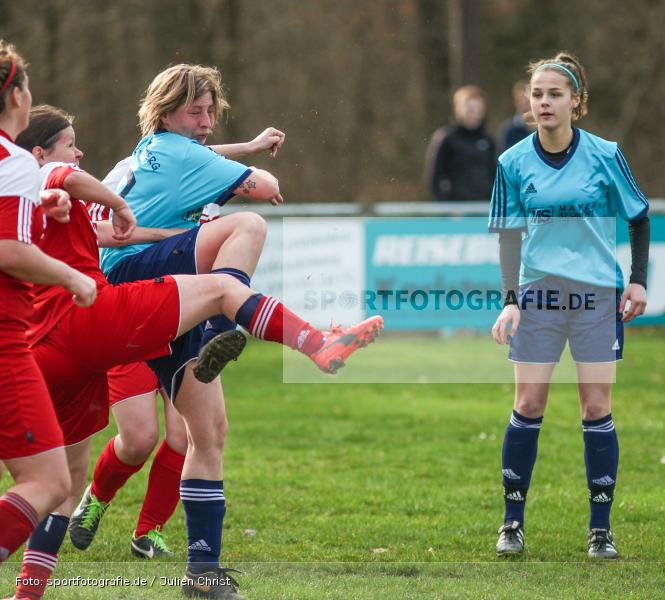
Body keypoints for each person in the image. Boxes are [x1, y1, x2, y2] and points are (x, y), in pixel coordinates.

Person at [11, 104, 384, 599]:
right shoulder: (59, 172)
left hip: (48, 346)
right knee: (224, 287)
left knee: (68, 480)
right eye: (70, 144)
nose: (79, 153)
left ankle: (182, 576)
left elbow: (87, 227)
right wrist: (117, 206)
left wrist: (148, 227)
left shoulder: (17, 197)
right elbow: (66, 180)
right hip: (93, 316)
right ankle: (316, 343)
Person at [488, 52, 650, 559]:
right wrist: (510, 299)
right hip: (538, 297)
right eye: (537, 94)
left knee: (595, 407)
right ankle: (512, 523)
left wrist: (638, 281)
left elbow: (639, 216)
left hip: (596, 296)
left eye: (555, 94)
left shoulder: (605, 154)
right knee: (528, 405)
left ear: (576, 102)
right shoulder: (511, 162)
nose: (544, 102)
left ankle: (600, 530)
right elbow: (510, 236)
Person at [0, 41, 97, 567]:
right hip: (5, 340)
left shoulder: (22, 174)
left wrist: (40, 203)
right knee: (50, 481)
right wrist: (72, 279)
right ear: (16, 95)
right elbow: (9, 252)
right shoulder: (11, 159)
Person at [424, 84, 497, 201]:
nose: (473, 113)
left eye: (478, 109)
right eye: (469, 109)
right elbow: (434, 178)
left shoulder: (488, 140)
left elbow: (495, 176)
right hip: (455, 208)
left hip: (483, 207)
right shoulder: (445, 137)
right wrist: (445, 207)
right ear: (457, 108)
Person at [498, 80, 534, 153]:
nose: (524, 103)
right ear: (516, 102)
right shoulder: (509, 129)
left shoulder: (545, 126)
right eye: (521, 100)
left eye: (527, 100)